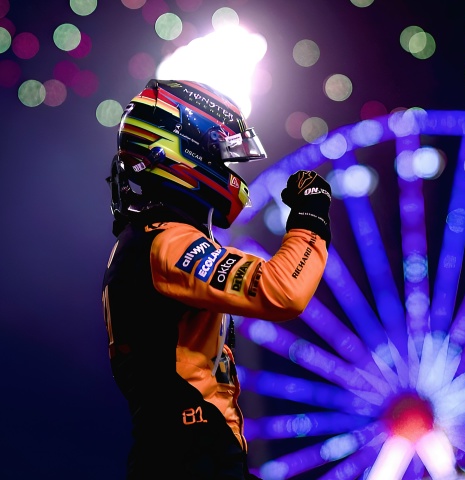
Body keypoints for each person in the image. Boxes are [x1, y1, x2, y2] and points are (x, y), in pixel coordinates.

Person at [101, 79, 332, 479]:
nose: (230, 171)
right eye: (222, 157)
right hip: (189, 459)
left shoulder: (151, 239)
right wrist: (311, 216)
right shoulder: (166, 243)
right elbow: (283, 291)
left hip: (182, 454)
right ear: (180, 151)